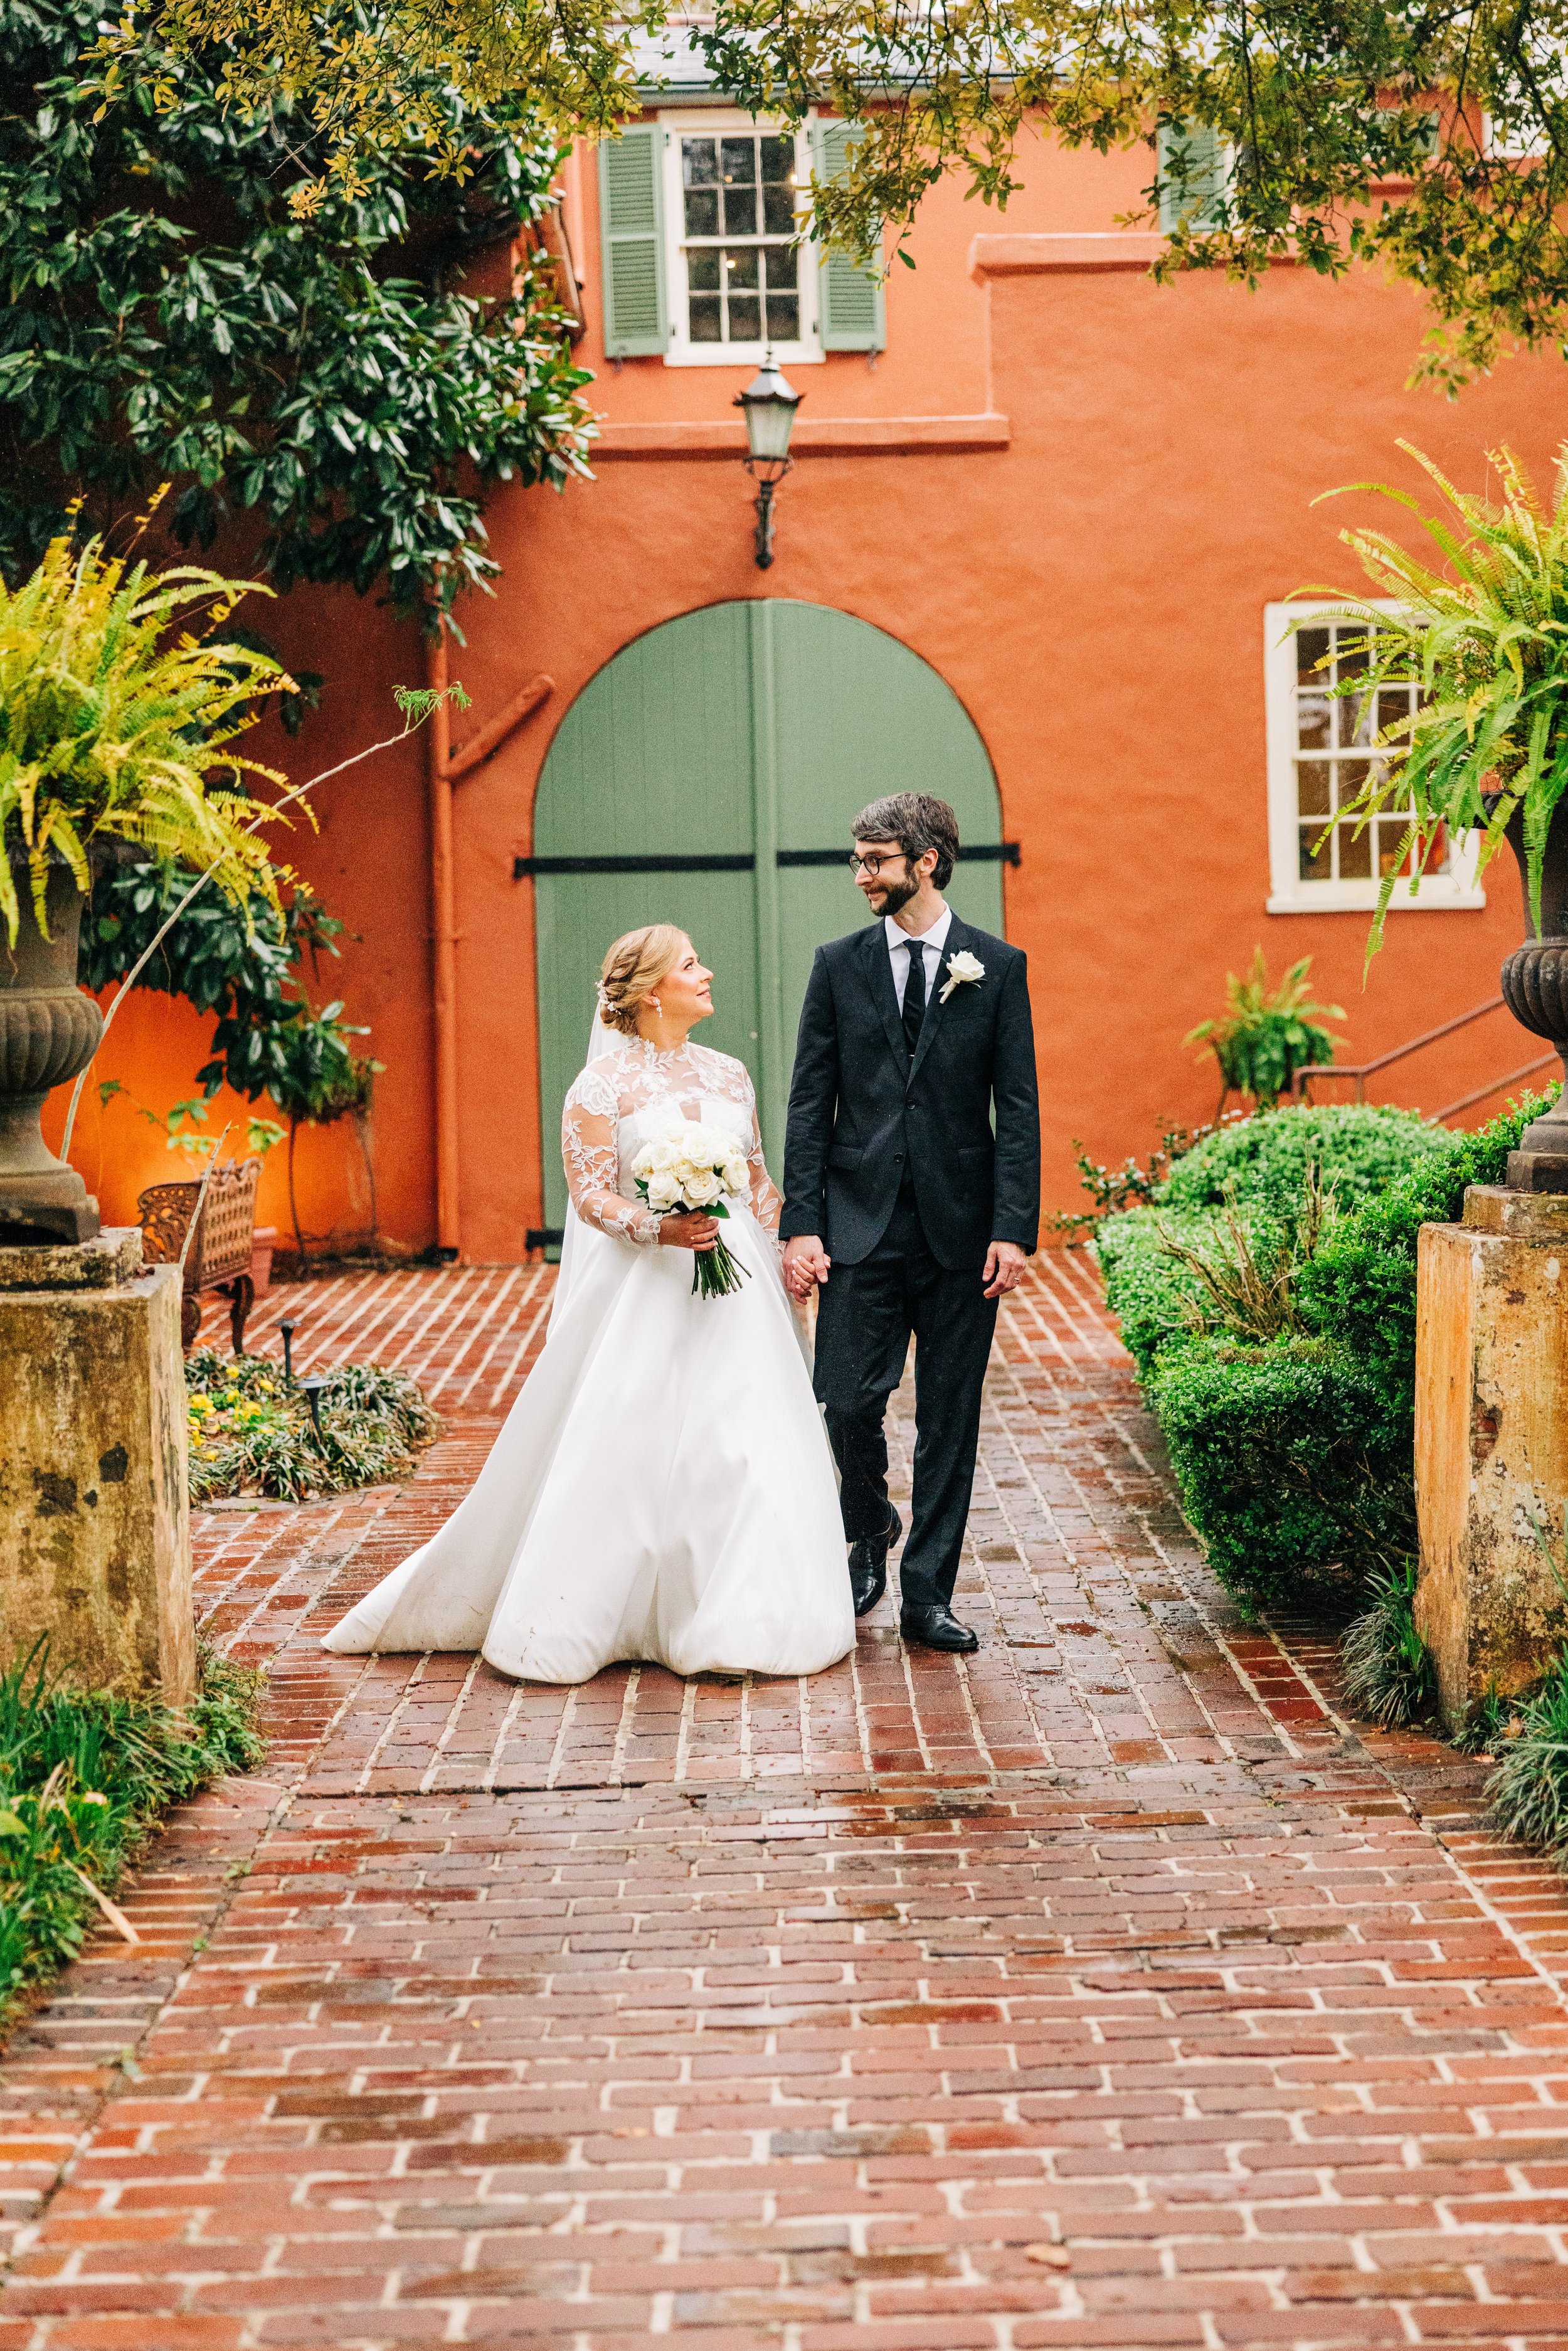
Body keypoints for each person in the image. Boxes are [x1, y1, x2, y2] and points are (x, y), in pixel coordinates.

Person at [322, 925, 854, 1684]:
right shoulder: (600, 1089)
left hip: (739, 1296)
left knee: (745, 1444)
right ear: (647, 993)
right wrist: (660, 1227)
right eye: (690, 964)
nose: (707, 973)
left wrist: (792, 1242)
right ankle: (607, 1609)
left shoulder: (731, 1075)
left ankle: (742, 1615)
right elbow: (591, 1195)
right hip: (650, 1288)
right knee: (635, 1447)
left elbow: (757, 1182)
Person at [781, 793, 1041, 1653]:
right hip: (860, 1225)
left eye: (876, 861)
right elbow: (810, 1103)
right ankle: (869, 1528)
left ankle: (928, 1595)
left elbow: (1020, 1109)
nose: (862, 876)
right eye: (858, 861)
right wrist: (802, 1222)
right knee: (845, 1400)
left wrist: (1014, 1228)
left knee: (950, 1418)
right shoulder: (838, 964)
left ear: (925, 861)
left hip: (964, 1234)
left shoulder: (996, 968)